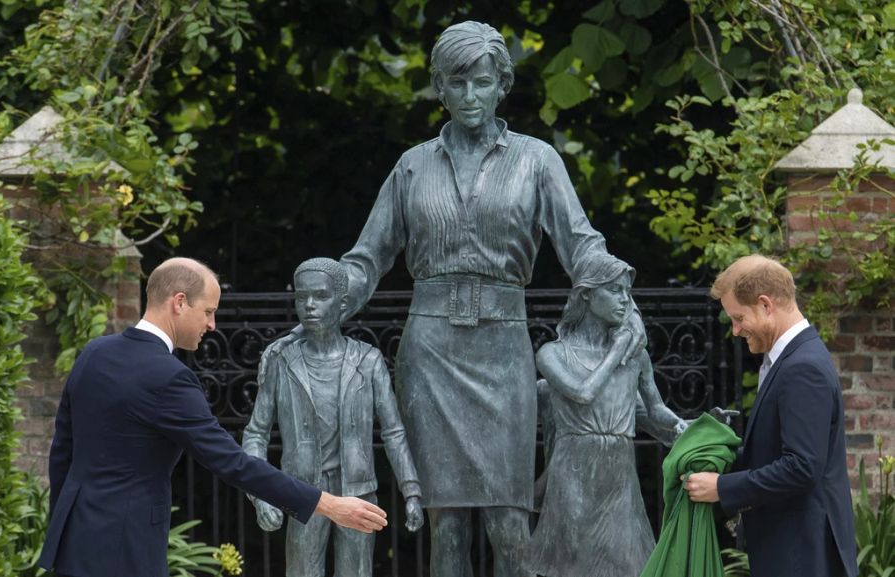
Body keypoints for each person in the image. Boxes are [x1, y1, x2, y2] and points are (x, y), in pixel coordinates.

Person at [266, 21, 645, 577]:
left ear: (502, 86)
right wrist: (326, 299)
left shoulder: (537, 160)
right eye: (457, 84)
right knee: (445, 524)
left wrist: (623, 299)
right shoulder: (413, 166)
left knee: (510, 521)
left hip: (503, 348)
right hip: (432, 352)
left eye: (483, 83)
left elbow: (581, 245)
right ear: (439, 88)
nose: (471, 97)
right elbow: (367, 258)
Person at [38, 257, 387, 577]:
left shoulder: (94, 353)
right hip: (127, 546)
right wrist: (327, 503)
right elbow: (232, 462)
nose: (212, 324)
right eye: (207, 311)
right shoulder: (169, 377)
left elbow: (63, 451)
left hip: (75, 537)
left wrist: (62, 523)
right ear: (179, 303)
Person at [242, 258, 424, 577]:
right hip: (302, 492)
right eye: (301, 297)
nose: (309, 305)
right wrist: (261, 496)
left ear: (342, 303)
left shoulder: (368, 362)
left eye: (320, 296)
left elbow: (393, 432)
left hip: (358, 490)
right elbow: (255, 434)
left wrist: (411, 490)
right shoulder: (282, 363)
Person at [684, 254, 858, 577]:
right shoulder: (786, 359)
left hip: (803, 557)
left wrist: (722, 487)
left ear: (766, 305)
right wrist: (716, 459)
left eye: (738, 318)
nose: (735, 330)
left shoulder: (803, 367)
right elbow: (775, 452)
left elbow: (801, 467)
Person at [524, 249, 686, 577]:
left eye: (628, 292)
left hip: (618, 473)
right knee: (571, 563)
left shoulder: (636, 358)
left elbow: (655, 411)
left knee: (628, 563)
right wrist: (616, 352)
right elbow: (583, 393)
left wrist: (688, 425)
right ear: (585, 295)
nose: (625, 300)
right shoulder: (553, 353)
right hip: (573, 471)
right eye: (614, 290)